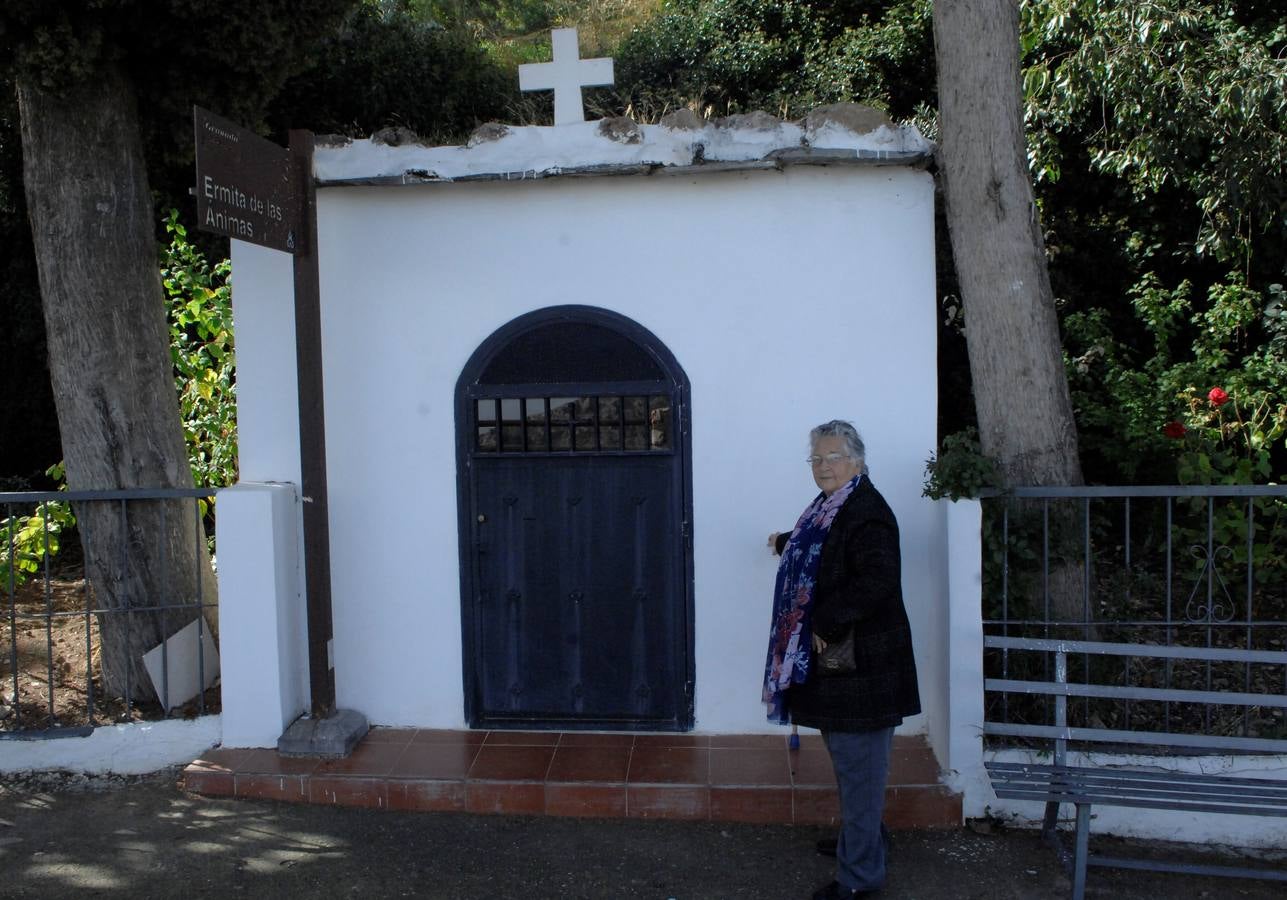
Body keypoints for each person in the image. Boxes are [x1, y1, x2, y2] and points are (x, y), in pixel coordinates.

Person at [763, 420, 921, 899]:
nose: (822, 466)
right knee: (855, 767)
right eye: (816, 458)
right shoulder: (835, 506)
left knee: (860, 769)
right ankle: (864, 841)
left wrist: (820, 623)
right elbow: (825, 546)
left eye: (832, 457)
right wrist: (785, 540)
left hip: (863, 670)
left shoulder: (867, 512)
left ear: (856, 460)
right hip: (846, 673)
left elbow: (876, 582)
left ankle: (860, 880)